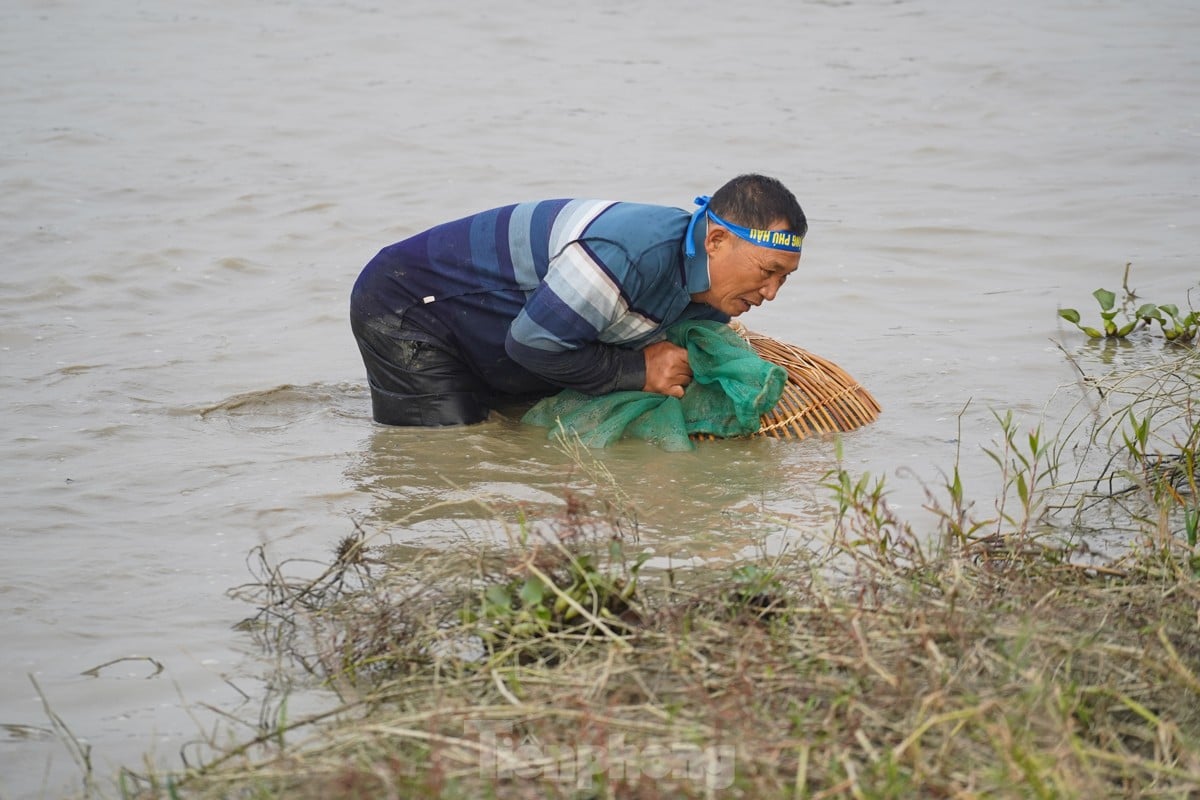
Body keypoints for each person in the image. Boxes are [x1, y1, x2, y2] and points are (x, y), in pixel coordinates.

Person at [349, 173, 806, 427]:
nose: (770, 294)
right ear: (717, 241)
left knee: (509, 434)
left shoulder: (711, 294)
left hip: (497, 328)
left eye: (784, 279)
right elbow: (531, 345)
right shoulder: (628, 255)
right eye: (767, 272)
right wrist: (636, 371)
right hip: (408, 304)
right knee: (451, 453)